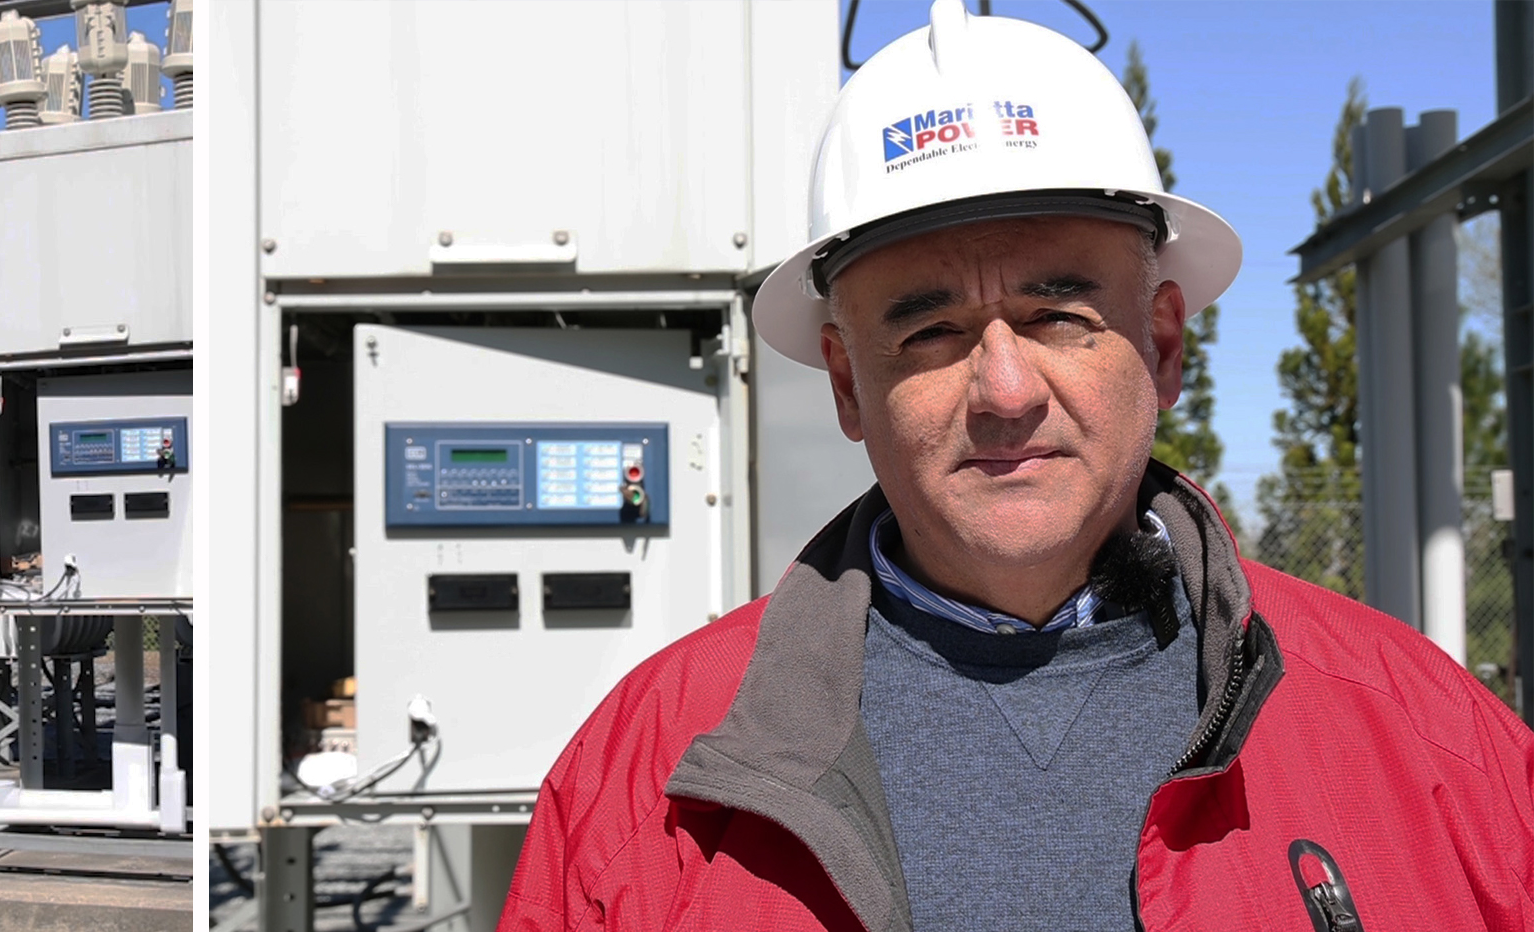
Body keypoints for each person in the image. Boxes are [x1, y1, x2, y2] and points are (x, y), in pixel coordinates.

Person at [499, 4, 1534, 931]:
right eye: (931, 331)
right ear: (845, 384)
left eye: (1057, 318)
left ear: (1163, 345)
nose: (1003, 389)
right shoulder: (648, 773)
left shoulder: (1429, 739)